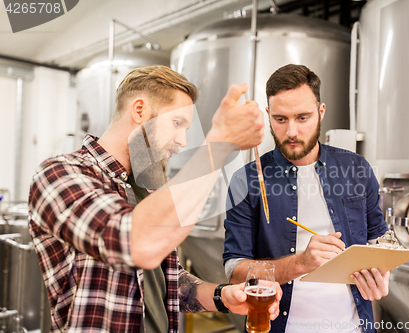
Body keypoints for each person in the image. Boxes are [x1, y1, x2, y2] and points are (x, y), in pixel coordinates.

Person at [28, 65, 281, 332]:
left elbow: (172, 282)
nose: (183, 140)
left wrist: (223, 296)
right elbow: (138, 244)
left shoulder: (147, 189)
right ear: (139, 111)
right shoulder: (60, 174)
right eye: (177, 123)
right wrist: (218, 145)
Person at [223, 64, 390, 333]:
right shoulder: (247, 180)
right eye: (280, 119)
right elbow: (234, 269)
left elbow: (379, 240)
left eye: (302, 118)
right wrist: (301, 263)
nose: (291, 132)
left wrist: (382, 272)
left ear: (321, 112)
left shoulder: (357, 168)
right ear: (268, 115)